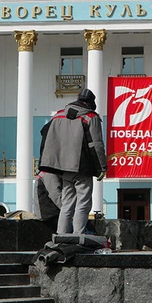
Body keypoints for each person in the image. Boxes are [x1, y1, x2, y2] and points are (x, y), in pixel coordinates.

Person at [38, 88, 107, 235]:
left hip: (64, 167)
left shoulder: (58, 116)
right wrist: (102, 167)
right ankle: (78, 235)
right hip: (83, 167)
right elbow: (97, 144)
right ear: (90, 103)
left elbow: (44, 133)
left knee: (67, 203)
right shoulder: (90, 117)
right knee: (83, 202)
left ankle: (61, 235)